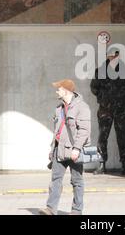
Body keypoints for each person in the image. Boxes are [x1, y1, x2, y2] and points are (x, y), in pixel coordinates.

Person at [39, 79, 91, 215]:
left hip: (74, 151)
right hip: (59, 150)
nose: (57, 91)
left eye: (59, 89)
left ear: (66, 90)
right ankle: (50, 209)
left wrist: (77, 148)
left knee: (77, 182)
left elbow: (84, 131)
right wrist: (52, 150)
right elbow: (57, 131)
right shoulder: (59, 108)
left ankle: (76, 211)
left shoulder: (82, 107)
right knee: (55, 180)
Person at [90, 48, 125, 175]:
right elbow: (93, 87)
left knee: (122, 137)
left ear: (118, 56)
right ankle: (101, 165)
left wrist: (124, 97)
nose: (113, 58)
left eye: (115, 55)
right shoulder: (100, 71)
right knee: (102, 137)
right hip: (105, 109)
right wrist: (103, 98)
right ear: (107, 56)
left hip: (121, 109)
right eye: (110, 55)